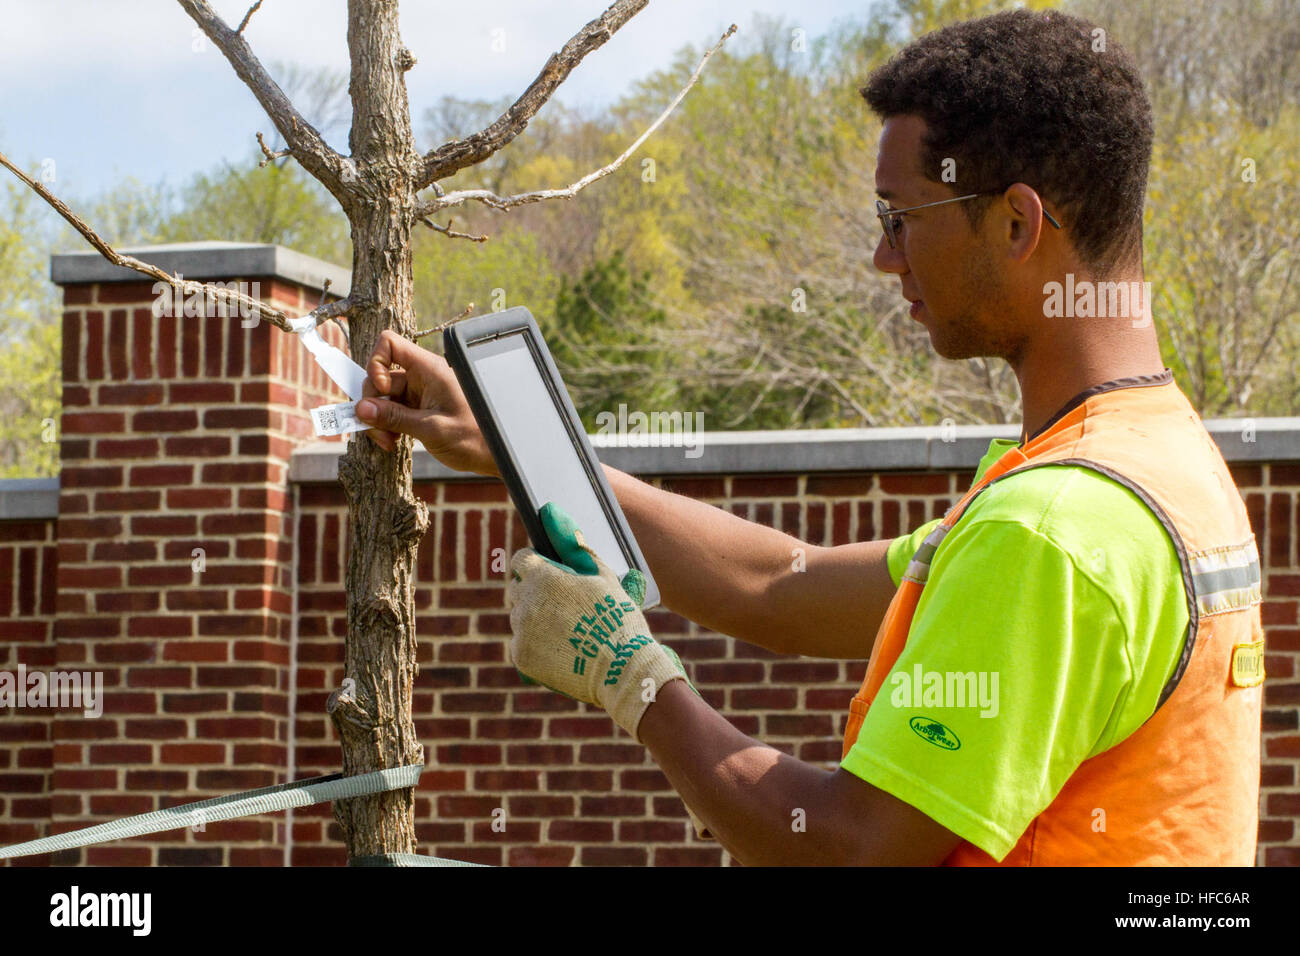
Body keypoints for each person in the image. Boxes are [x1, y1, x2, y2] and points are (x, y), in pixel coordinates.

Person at [354, 9, 1264, 866]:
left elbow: (846, 847)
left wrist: (633, 680)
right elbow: (778, 589)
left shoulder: (1050, 531)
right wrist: (512, 445)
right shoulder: (1158, 459)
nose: (884, 258)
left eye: (900, 219)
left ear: (1019, 222)